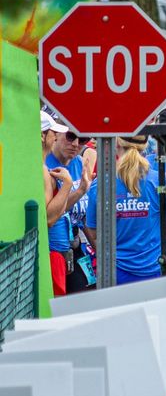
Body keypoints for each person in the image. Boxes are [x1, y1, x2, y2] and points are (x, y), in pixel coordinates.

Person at [83, 136, 161, 285]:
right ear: (145, 145)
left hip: (115, 272)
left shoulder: (101, 184)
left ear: (117, 143)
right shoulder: (159, 181)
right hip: (153, 269)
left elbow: (93, 232)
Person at [42, 113, 92, 294]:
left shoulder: (79, 163)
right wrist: (78, 191)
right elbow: (51, 215)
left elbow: (85, 215)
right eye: (71, 136)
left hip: (76, 246)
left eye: (83, 139)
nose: (76, 144)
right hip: (54, 249)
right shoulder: (46, 165)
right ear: (56, 135)